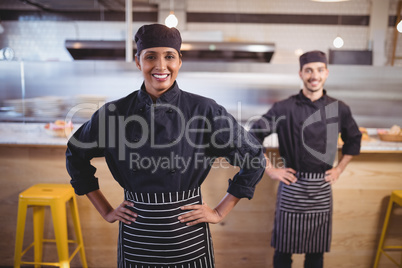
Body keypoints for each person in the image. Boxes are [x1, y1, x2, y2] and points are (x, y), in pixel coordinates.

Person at [65, 23, 265, 268]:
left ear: (179, 61)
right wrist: (106, 211)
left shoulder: (204, 110)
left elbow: (254, 158)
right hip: (138, 238)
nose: (161, 66)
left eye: (169, 56)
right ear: (138, 61)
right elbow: (75, 154)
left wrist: (219, 211)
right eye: (150, 57)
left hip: (188, 239)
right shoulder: (113, 114)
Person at [249, 50, 362, 268]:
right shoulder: (284, 107)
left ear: (326, 73)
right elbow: (253, 135)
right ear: (301, 74)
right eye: (309, 70)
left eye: (319, 70)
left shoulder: (339, 109)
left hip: (321, 188)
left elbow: (354, 140)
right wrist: (271, 169)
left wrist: (339, 169)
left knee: (316, 254)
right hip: (292, 186)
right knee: (283, 251)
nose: (314, 75)